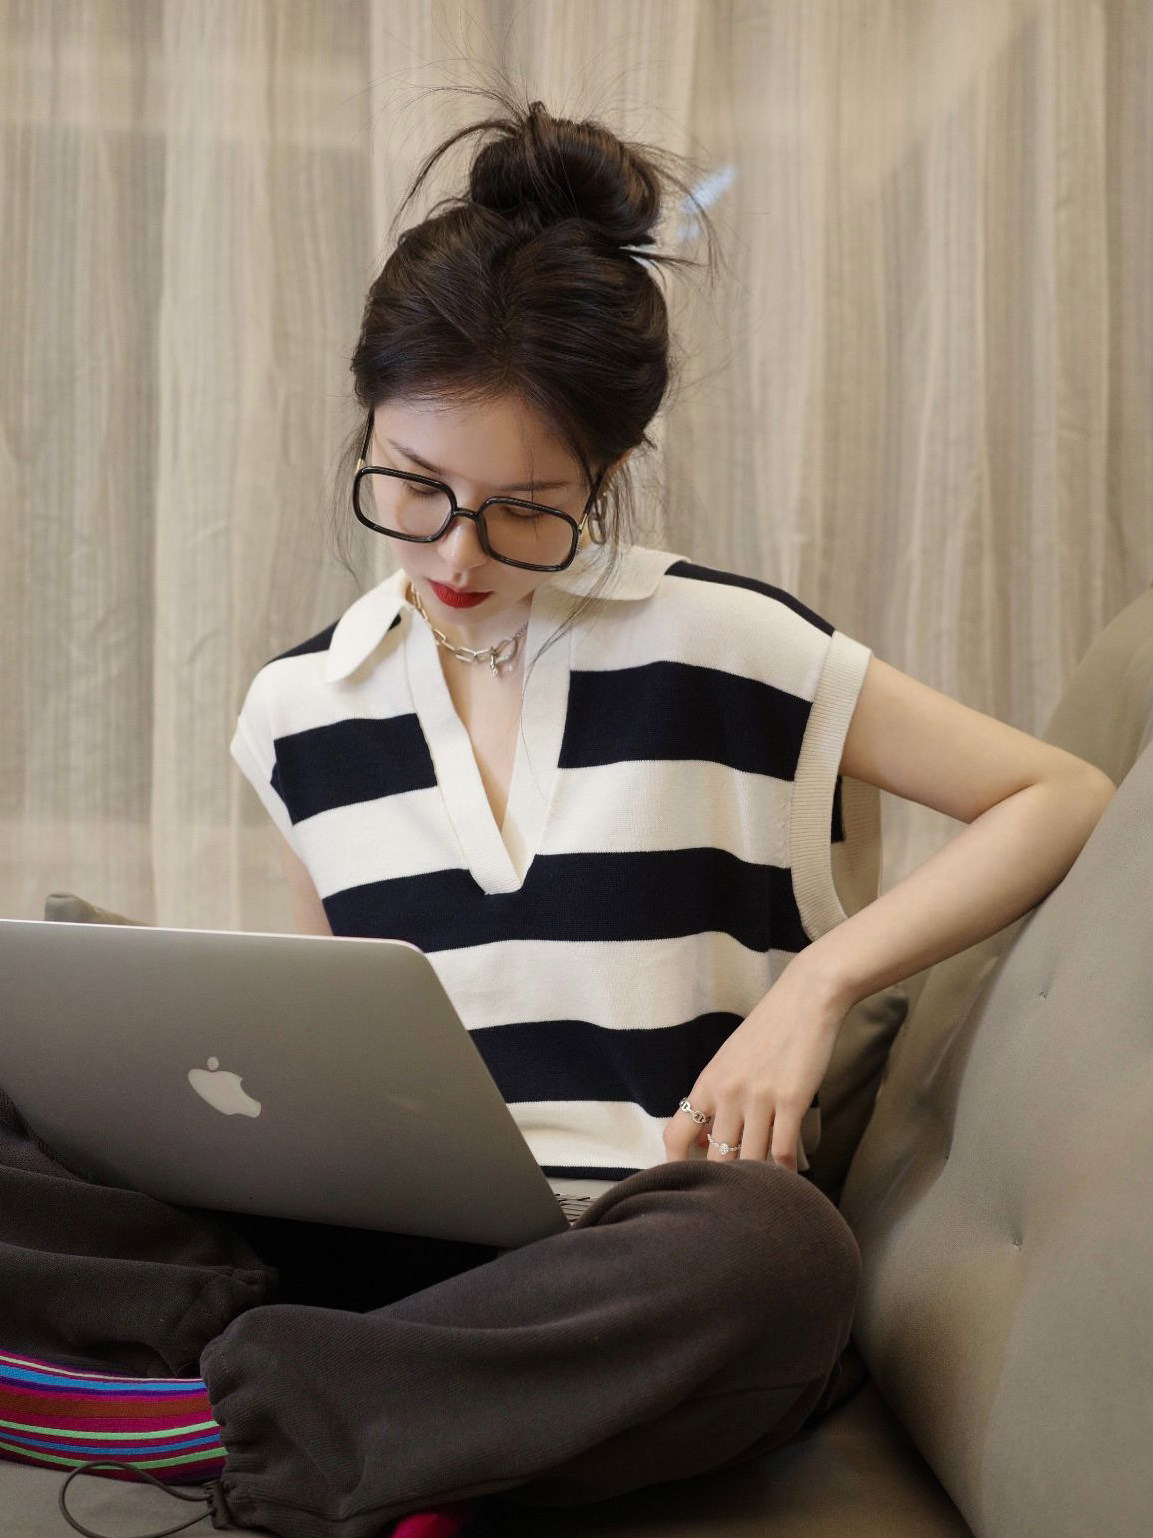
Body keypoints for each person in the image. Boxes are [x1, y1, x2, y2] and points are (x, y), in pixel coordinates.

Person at [0, 87, 1114, 1538]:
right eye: (415, 487)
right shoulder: (296, 710)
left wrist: (819, 987)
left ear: (608, 473)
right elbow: (329, 1044)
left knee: (778, 1255)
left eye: (527, 506)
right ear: (368, 423)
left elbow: (1058, 790)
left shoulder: (728, 644)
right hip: (384, 1272)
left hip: (633, 1259)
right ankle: (365, 1426)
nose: (459, 554)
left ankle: (236, 1421)